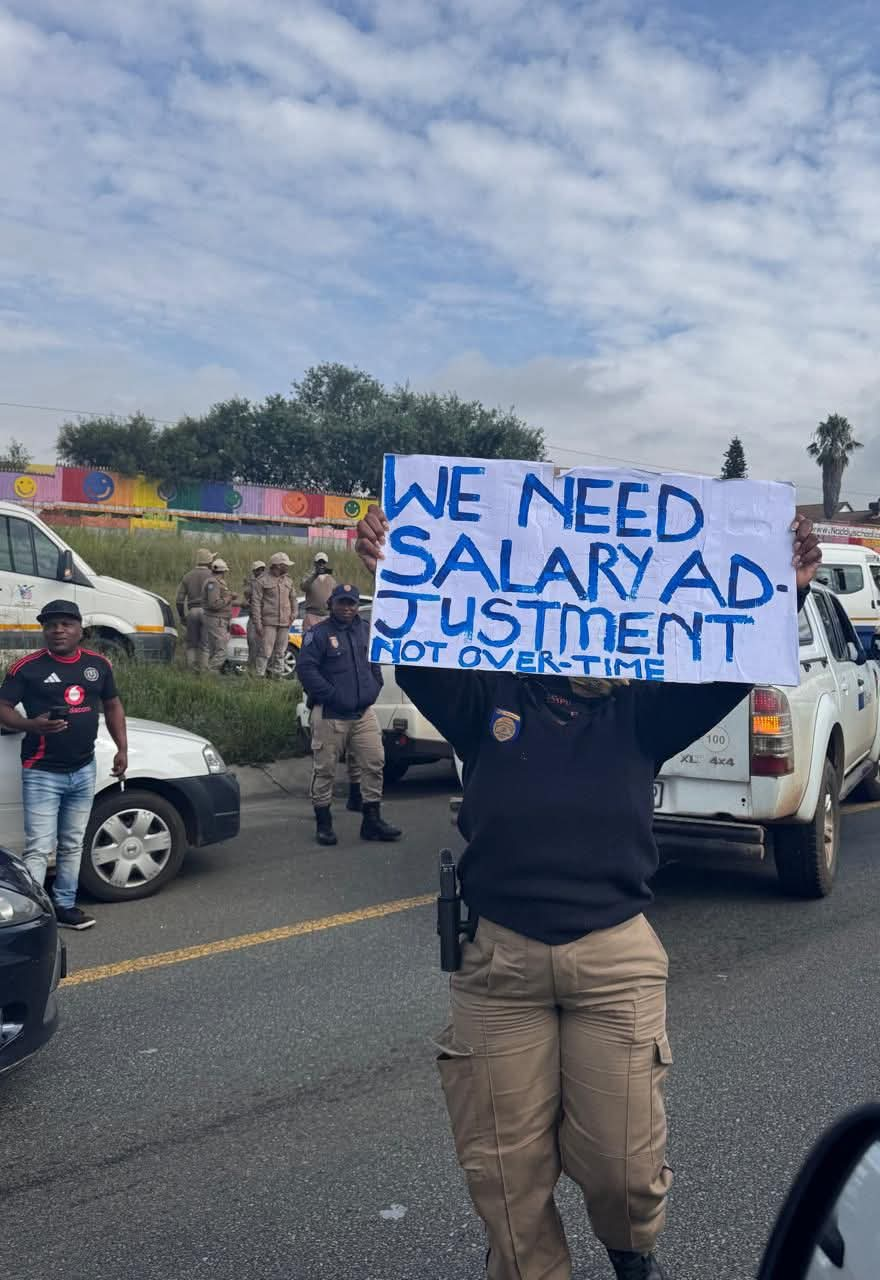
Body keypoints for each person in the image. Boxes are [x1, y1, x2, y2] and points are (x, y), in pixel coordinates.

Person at [355, 504, 821, 1280]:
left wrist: (785, 591)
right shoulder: (489, 701)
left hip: (614, 958)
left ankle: (632, 1256)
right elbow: (423, 657)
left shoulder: (644, 711)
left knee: (623, 1169)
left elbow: (731, 665)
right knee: (503, 1177)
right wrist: (395, 574)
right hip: (497, 962)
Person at [0, 601, 127, 931]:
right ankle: (33, 914)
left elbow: (113, 706)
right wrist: (31, 725)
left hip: (83, 769)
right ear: (44, 630)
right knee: (40, 848)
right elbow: (3, 708)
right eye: (51, 624)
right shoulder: (26, 668)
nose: (58, 630)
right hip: (41, 771)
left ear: (80, 630)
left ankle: (65, 906)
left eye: (66, 624)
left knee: (72, 844)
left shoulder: (98, 665)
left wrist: (121, 749)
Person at [296, 582, 402, 846]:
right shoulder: (318, 634)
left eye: (351, 603)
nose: (347, 608)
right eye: (341, 602)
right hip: (330, 713)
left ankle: (372, 820)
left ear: (357, 606)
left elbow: (374, 664)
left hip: (363, 713)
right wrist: (332, 695)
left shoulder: (365, 631)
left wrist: (374, 688)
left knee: (374, 762)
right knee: (326, 770)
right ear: (331, 604)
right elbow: (306, 670)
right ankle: (324, 823)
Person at [251, 552, 298, 677]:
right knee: (265, 651)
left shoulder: (288, 580)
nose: (288, 567)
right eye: (285, 565)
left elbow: (293, 599)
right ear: (278, 565)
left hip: (284, 622)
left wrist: (294, 614)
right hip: (268, 622)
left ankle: (276, 676)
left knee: (280, 652)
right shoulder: (262, 581)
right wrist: (258, 624)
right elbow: (255, 604)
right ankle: (259, 676)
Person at [175, 548, 214, 671]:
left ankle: (191, 668)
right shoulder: (212, 575)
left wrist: (182, 617)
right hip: (207, 612)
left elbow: (179, 600)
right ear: (209, 561)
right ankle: (203, 670)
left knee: (191, 643)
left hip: (192, 612)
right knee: (205, 643)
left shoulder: (188, 576)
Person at [201, 558, 238, 673]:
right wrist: (230, 597)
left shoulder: (216, 582)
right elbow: (214, 604)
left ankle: (210, 676)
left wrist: (236, 602)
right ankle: (210, 673)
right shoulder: (213, 583)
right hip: (216, 620)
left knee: (215, 649)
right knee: (222, 650)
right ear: (223, 572)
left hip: (217, 619)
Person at [302, 551, 337, 631]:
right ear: (315, 563)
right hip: (311, 615)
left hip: (327, 616)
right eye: (319, 562)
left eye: (323, 562)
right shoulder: (308, 576)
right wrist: (315, 575)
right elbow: (303, 587)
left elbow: (335, 595)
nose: (321, 564)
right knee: (309, 639)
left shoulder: (331, 579)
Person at [243, 560, 267, 671]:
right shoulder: (251, 582)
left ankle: (262, 672)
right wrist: (252, 583)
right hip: (253, 618)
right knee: (252, 644)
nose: (261, 571)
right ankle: (251, 671)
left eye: (262, 569)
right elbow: (247, 595)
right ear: (254, 571)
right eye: (258, 569)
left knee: (264, 647)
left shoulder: (268, 581)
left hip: (266, 618)